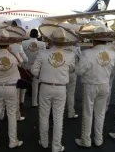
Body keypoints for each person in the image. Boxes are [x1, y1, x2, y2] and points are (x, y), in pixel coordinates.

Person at [32, 24, 77, 152]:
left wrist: (43, 76)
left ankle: (44, 142)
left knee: (44, 116)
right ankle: (56, 146)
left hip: (45, 87)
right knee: (58, 118)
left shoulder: (43, 53)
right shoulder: (70, 55)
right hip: (61, 88)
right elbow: (72, 69)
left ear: (51, 40)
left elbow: (34, 71)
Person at [0, 27, 28, 148]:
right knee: (12, 115)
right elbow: (22, 62)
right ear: (8, 43)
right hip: (11, 88)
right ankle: (13, 141)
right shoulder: (15, 56)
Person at [75, 27, 115, 147]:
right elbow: (113, 71)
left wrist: (78, 62)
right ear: (106, 41)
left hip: (90, 85)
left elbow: (79, 72)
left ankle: (86, 140)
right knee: (100, 114)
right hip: (104, 85)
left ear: (94, 40)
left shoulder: (87, 53)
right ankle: (99, 139)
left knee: (88, 113)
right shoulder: (112, 53)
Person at [22, 29, 46, 107]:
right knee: (35, 85)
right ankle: (34, 103)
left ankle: (21, 101)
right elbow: (43, 56)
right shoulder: (42, 44)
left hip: (26, 65)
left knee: (24, 84)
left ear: (30, 35)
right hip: (36, 66)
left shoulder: (23, 43)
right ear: (37, 35)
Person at [64, 45, 81, 119]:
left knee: (60, 94)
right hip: (72, 72)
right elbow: (81, 60)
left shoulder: (62, 47)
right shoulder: (77, 48)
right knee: (71, 94)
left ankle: (59, 112)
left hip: (62, 72)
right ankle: (71, 113)